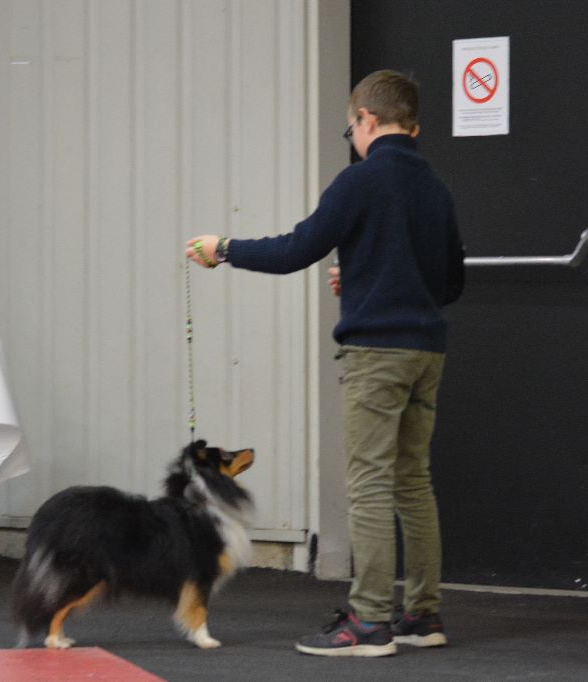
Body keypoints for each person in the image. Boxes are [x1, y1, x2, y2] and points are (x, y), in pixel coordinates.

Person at [185, 69, 465, 658]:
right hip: (426, 351)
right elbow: (450, 284)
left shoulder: (359, 181)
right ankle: (422, 614)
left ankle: (368, 622)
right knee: (413, 482)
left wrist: (224, 250)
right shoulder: (436, 188)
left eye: (351, 129)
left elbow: (296, 250)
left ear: (365, 119)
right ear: (413, 126)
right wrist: (364, 276)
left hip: (376, 354)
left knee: (369, 483)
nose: (353, 139)